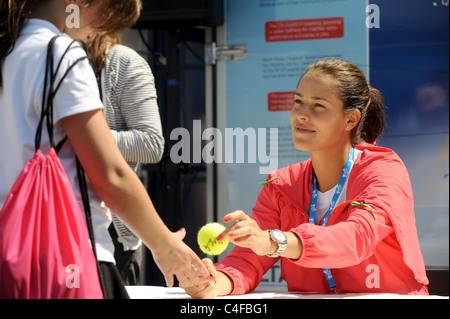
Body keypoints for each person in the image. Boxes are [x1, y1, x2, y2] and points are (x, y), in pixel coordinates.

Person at [0, 0, 208, 298]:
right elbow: (111, 175)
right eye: (107, 11)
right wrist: (165, 246)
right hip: (72, 255)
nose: (103, 26)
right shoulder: (60, 53)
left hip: (15, 254)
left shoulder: (11, 51)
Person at [183, 58, 429, 298]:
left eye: (318, 106)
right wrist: (213, 283)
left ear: (350, 119)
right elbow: (247, 261)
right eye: (298, 101)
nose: (301, 114)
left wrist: (273, 241)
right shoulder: (281, 185)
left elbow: (357, 238)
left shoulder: (383, 170)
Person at [85, 31, 165, 285]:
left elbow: (151, 144)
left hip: (111, 231)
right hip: (45, 224)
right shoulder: (37, 57)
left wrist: (80, 136)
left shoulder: (122, 62)